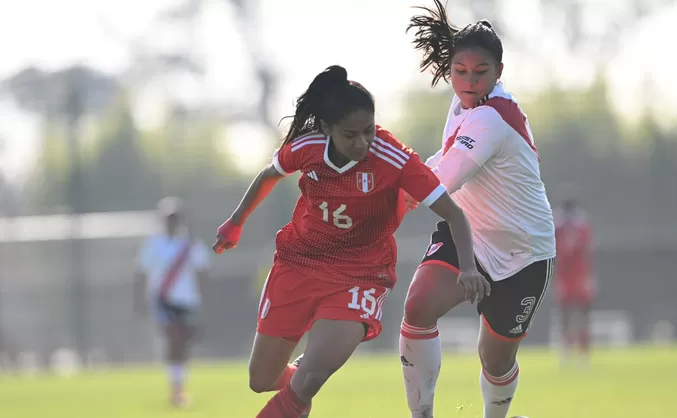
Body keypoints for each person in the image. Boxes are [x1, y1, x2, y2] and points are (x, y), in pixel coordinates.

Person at [212, 65, 486, 418]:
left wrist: (467, 267)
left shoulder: (395, 159)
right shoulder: (307, 146)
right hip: (298, 264)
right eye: (350, 135)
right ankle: (306, 368)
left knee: (307, 384)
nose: (362, 143)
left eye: (369, 131)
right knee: (261, 379)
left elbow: (453, 213)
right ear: (327, 129)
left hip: (360, 275)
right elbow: (269, 174)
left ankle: (307, 376)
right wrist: (235, 223)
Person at [399, 2, 556, 417]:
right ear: (449, 69)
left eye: (480, 71)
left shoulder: (493, 118)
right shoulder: (461, 107)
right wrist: (400, 180)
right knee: (418, 307)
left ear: (499, 72)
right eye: (460, 71)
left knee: (495, 358)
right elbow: (442, 160)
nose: (468, 81)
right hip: (466, 233)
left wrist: (390, 193)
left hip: (522, 254)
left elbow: (444, 179)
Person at [134, 197, 211, 407]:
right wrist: (140, 300)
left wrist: (204, 300)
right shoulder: (153, 243)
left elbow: (202, 270)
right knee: (173, 342)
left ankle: (179, 388)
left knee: (183, 346)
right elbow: (141, 273)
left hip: (187, 301)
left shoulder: (191, 243)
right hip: (163, 301)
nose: (172, 222)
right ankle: (176, 392)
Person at [554, 196, 596, 366]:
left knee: (581, 315)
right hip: (570, 275)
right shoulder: (563, 225)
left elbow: (586, 249)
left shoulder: (578, 224)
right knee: (567, 315)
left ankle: (580, 353)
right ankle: (570, 352)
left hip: (576, 275)